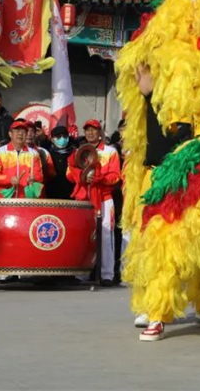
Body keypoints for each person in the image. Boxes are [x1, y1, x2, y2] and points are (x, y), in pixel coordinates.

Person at [67, 119, 121, 285]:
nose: (90, 133)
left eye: (94, 130)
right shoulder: (78, 152)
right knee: (84, 235)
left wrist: (99, 178)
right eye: (87, 130)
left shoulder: (110, 152)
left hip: (104, 199)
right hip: (84, 199)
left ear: (100, 133)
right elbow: (69, 174)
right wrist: (82, 177)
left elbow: (115, 176)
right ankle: (81, 273)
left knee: (105, 235)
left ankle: (107, 275)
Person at [0, 119, 44, 199]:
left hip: (25, 200)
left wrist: (34, 179)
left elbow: (39, 176)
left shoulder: (34, 154)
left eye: (24, 131)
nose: (20, 133)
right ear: (10, 134)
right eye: (17, 130)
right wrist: (9, 179)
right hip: (3, 199)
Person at [46, 126, 75, 200]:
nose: (62, 139)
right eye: (58, 137)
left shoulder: (75, 154)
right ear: (52, 139)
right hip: (52, 197)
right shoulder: (48, 155)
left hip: (71, 197)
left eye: (64, 136)